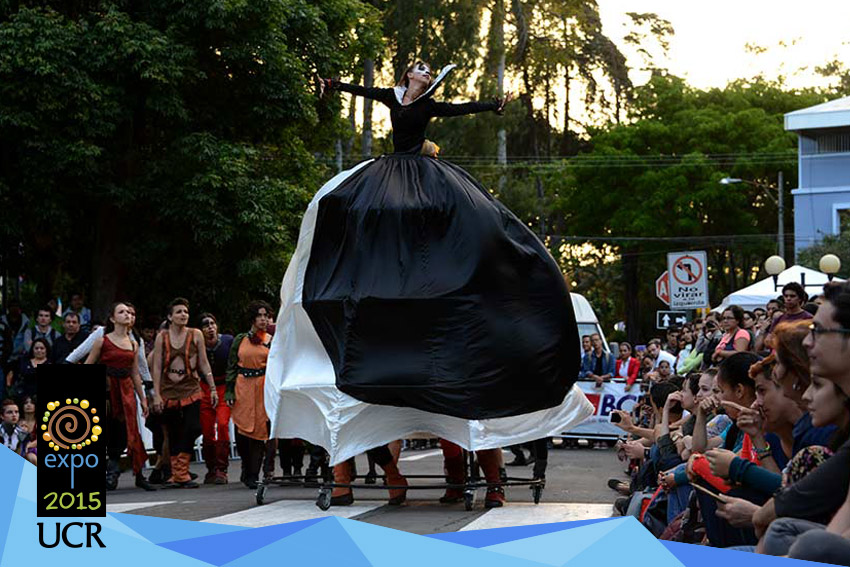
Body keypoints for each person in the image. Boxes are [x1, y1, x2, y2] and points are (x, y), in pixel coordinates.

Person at [265, 62, 593, 468]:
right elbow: (363, 91)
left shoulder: (429, 102)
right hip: (390, 169)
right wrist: (332, 83)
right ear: (408, 76)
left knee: (469, 215)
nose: (426, 71)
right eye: (419, 68)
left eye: (428, 70)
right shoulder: (393, 95)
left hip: (423, 173)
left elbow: (460, 109)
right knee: (344, 204)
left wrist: (494, 105)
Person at [84, 302, 154, 491]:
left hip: (126, 391)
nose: (126, 315)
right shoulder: (102, 341)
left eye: (128, 312)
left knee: (131, 431)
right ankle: (111, 472)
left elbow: (135, 373)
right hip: (107, 392)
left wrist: (143, 399)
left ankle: (139, 474)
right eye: (121, 312)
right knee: (107, 431)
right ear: (113, 319)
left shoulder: (133, 343)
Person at [151, 298, 216, 489]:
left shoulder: (196, 334)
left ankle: (180, 470)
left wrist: (212, 387)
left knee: (194, 427)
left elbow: (204, 362)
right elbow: (155, 367)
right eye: (178, 312)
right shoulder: (162, 337)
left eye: (186, 312)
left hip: (191, 388)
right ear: (170, 316)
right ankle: (177, 474)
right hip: (168, 390)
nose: (183, 315)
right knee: (172, 431)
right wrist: (156, 394)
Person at [226, 301, 273, 489]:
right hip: (242, 386)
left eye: (266, 315)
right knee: (243, 429)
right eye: (259, 315)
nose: (263, 319)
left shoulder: (271, 340)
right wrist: (229, 390)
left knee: (260, 431)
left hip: (262, 387)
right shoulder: (240, 339)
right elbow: (231, 366)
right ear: (253, 318)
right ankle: (246, 467)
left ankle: (254, 473)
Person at [198, 312, 234, 484]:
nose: (210, 328)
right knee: (206, 431)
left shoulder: (228, 341)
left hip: (224, 388)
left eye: (212, 324)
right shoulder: (197, 344)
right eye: (205, 325)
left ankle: (222, 468)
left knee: (222, 425)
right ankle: (211, 468)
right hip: (203, 388)